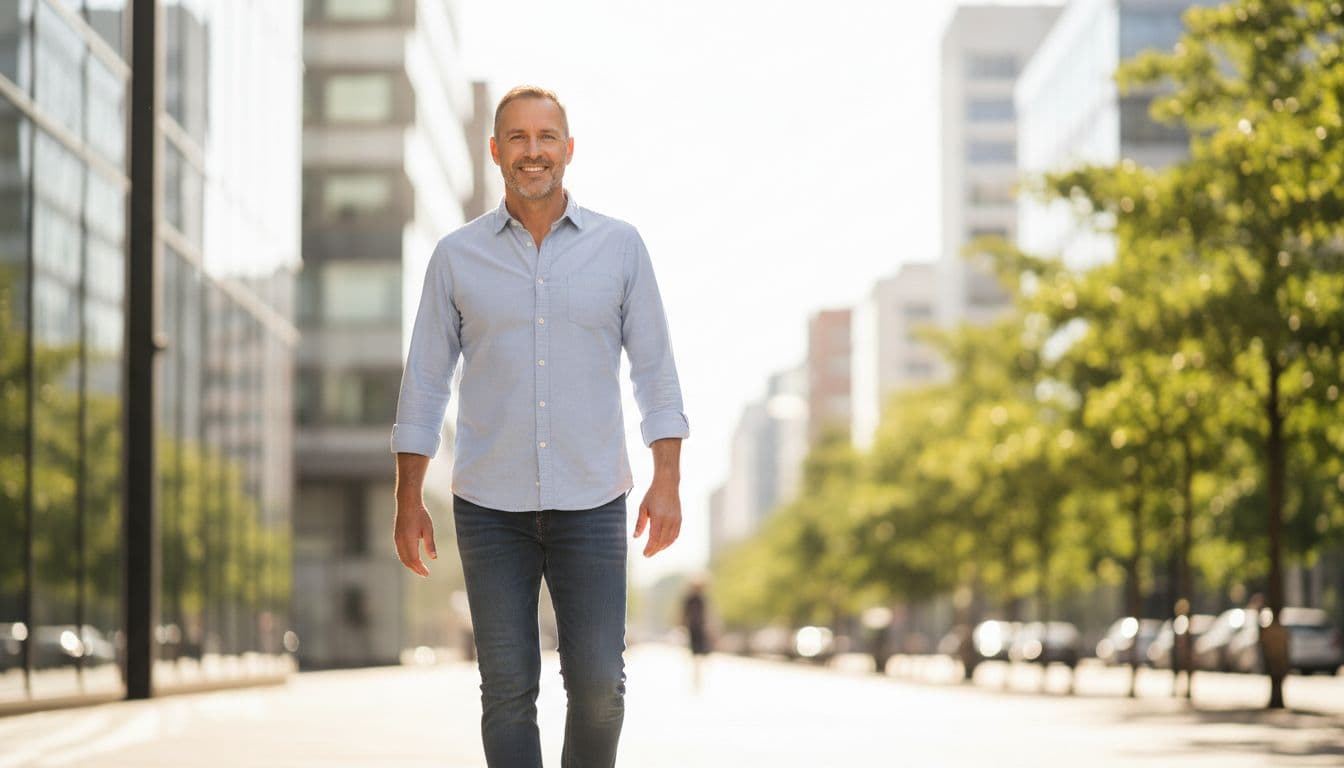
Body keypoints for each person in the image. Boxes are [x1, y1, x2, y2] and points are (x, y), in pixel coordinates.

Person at [389, 85, 689, 768]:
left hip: (592, 499)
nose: (533, 151)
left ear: (568, 150)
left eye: (546, 137)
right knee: (506, 691)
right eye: (517, 138)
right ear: (496, 152)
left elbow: (656, 371)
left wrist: (666, 478)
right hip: (490, 506)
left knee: (598, 688)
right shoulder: (457, 257)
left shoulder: (620, 248)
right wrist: (409, 497)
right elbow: (425, 383)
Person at [681, 579, 711, 692]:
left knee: (698, 655)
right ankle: (696, 677)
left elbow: (707, 615)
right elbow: (684, 615)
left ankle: (697, 677)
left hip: (699, 629)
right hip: (694, 629)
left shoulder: (701, 599)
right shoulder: (691, 599)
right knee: (696, 655)